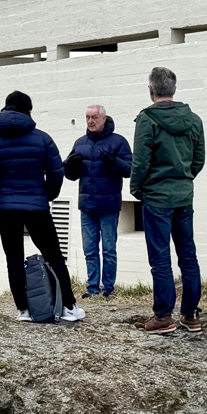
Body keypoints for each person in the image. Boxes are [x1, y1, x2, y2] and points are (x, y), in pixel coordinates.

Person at [0, 91, 77, 318]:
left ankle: (24, 309)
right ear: (29, 111)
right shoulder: (43, 139)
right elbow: (56, 173)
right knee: (53, 254)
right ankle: (68, 306)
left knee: (13, 257)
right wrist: (47, 195)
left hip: (5, 207)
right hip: (36, 206)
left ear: (6, 108)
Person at [129, 66, 205, 335]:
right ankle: (191, 314)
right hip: (183, 195)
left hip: (156, 196)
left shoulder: (147, 120)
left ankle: (163, 315)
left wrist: (137, 189)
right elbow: (199, 159)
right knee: (188, 255)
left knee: (160, 258)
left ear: (151, 90)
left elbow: (140, 162)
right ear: (173, 89)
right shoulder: (193, 120)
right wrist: (184, 178)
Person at [64, 104, 132, 299]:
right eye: (87, 117)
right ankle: (92, 287)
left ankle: (108, 288)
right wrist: (70, 166)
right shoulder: (80, 142)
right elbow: (70, 175)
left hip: (109, 205)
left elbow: (129, 169)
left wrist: (113, 162)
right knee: (90, 249)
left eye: (94, 117)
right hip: (87, 205)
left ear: (104, 119)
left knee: (109, 249)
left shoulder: (118, 142)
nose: (90, 121)